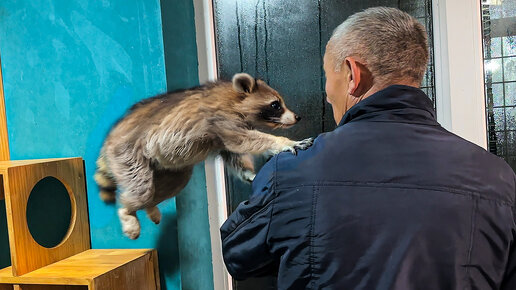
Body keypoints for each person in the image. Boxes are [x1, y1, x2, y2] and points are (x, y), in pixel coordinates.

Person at [220, 7, 516, 290]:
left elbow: (239, 254)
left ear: (352, 74)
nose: (326, 94)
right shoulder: (497, 180)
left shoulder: (291, 172)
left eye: (327, 75)